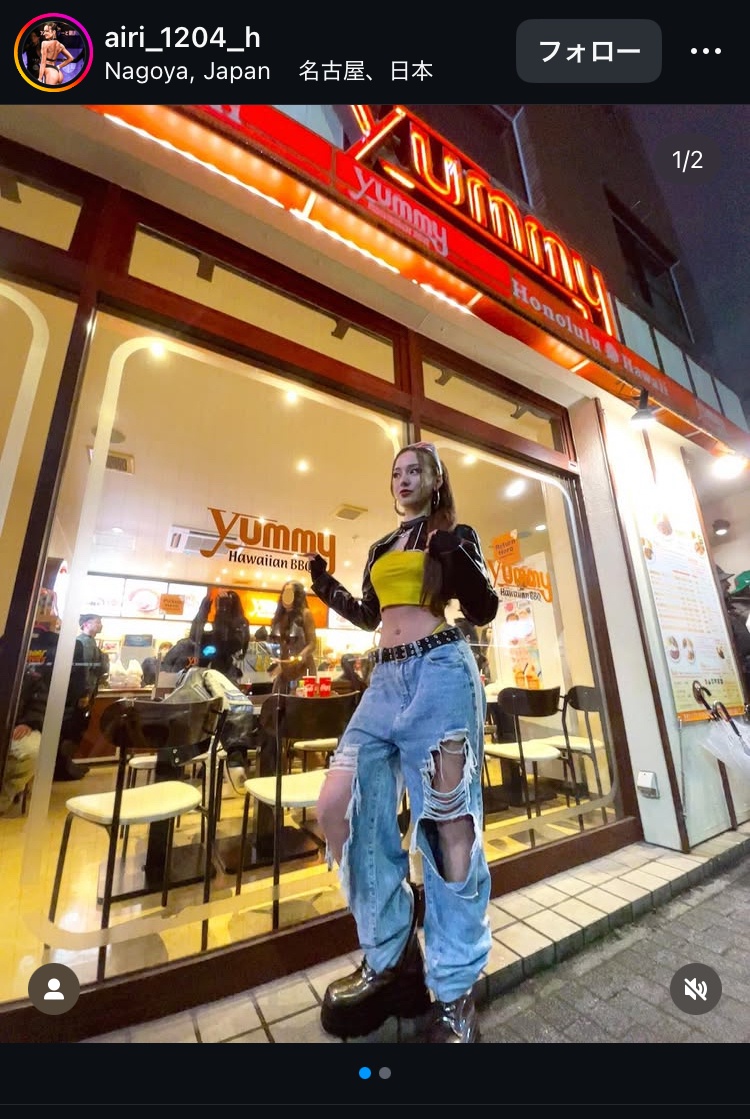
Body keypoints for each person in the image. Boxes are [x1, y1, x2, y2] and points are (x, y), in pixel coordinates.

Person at [308, 441, 499, 1043]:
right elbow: (371, 615)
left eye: (415, 470)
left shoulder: (453, 535)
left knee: (448, 826)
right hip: (385, 678)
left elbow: (483, 607)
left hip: (441, 671)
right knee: (338, 805)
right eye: (396, 472)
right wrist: (325, 587)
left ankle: (454, 988)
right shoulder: (381, 547)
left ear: (436, 480)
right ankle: (390, 954)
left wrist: (456, 554)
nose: (403, 478)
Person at [56, 614, 109, 780]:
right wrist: (84, 693)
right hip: (80, 695)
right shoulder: (84, 643)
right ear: (86, 624)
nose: (100, 625)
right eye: (97, 622)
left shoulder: (89, 642)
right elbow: (83, 669)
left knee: (75, 730)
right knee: (72, 730)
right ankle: (62, 767)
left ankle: (66, 764)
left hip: (85, 692)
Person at [188, 590, 250, 683]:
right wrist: (203, 610)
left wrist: (222, 610)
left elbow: (225, 645)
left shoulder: (239, 625)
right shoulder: (219, 630)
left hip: (224, 676)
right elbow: (194, 636)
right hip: (211, 675)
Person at [268, 580, 317, 694]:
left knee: (299, 700)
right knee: (277, 698)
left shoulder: (305, 614)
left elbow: (312, 643)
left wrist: (300, 657)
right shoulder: (280, 617)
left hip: (303, 668)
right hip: (285, 669)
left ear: (297, 596)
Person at [38, 22, 75, 86]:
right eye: (44, 31)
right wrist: (58, 67)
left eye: (47, 31)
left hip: (50, 73)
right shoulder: (60, 45)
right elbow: (71, 58)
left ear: (54, 32)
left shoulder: (44, 43)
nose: (44, 33)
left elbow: (43, 62)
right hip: (58, 73)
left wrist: (40, 79)